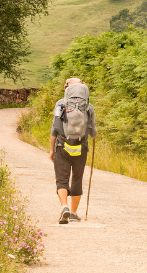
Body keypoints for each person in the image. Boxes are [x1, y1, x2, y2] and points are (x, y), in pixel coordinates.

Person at [49, 77, 98, 224]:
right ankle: (73, 213)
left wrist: (52, 150)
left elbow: (54, 129)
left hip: (62, 146)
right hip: (80, 147)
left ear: (67, 89)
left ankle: (64, 207)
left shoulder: (60, 104)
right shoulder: (88, 107)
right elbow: (93, 132)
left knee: (62, 179)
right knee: (77, 178)